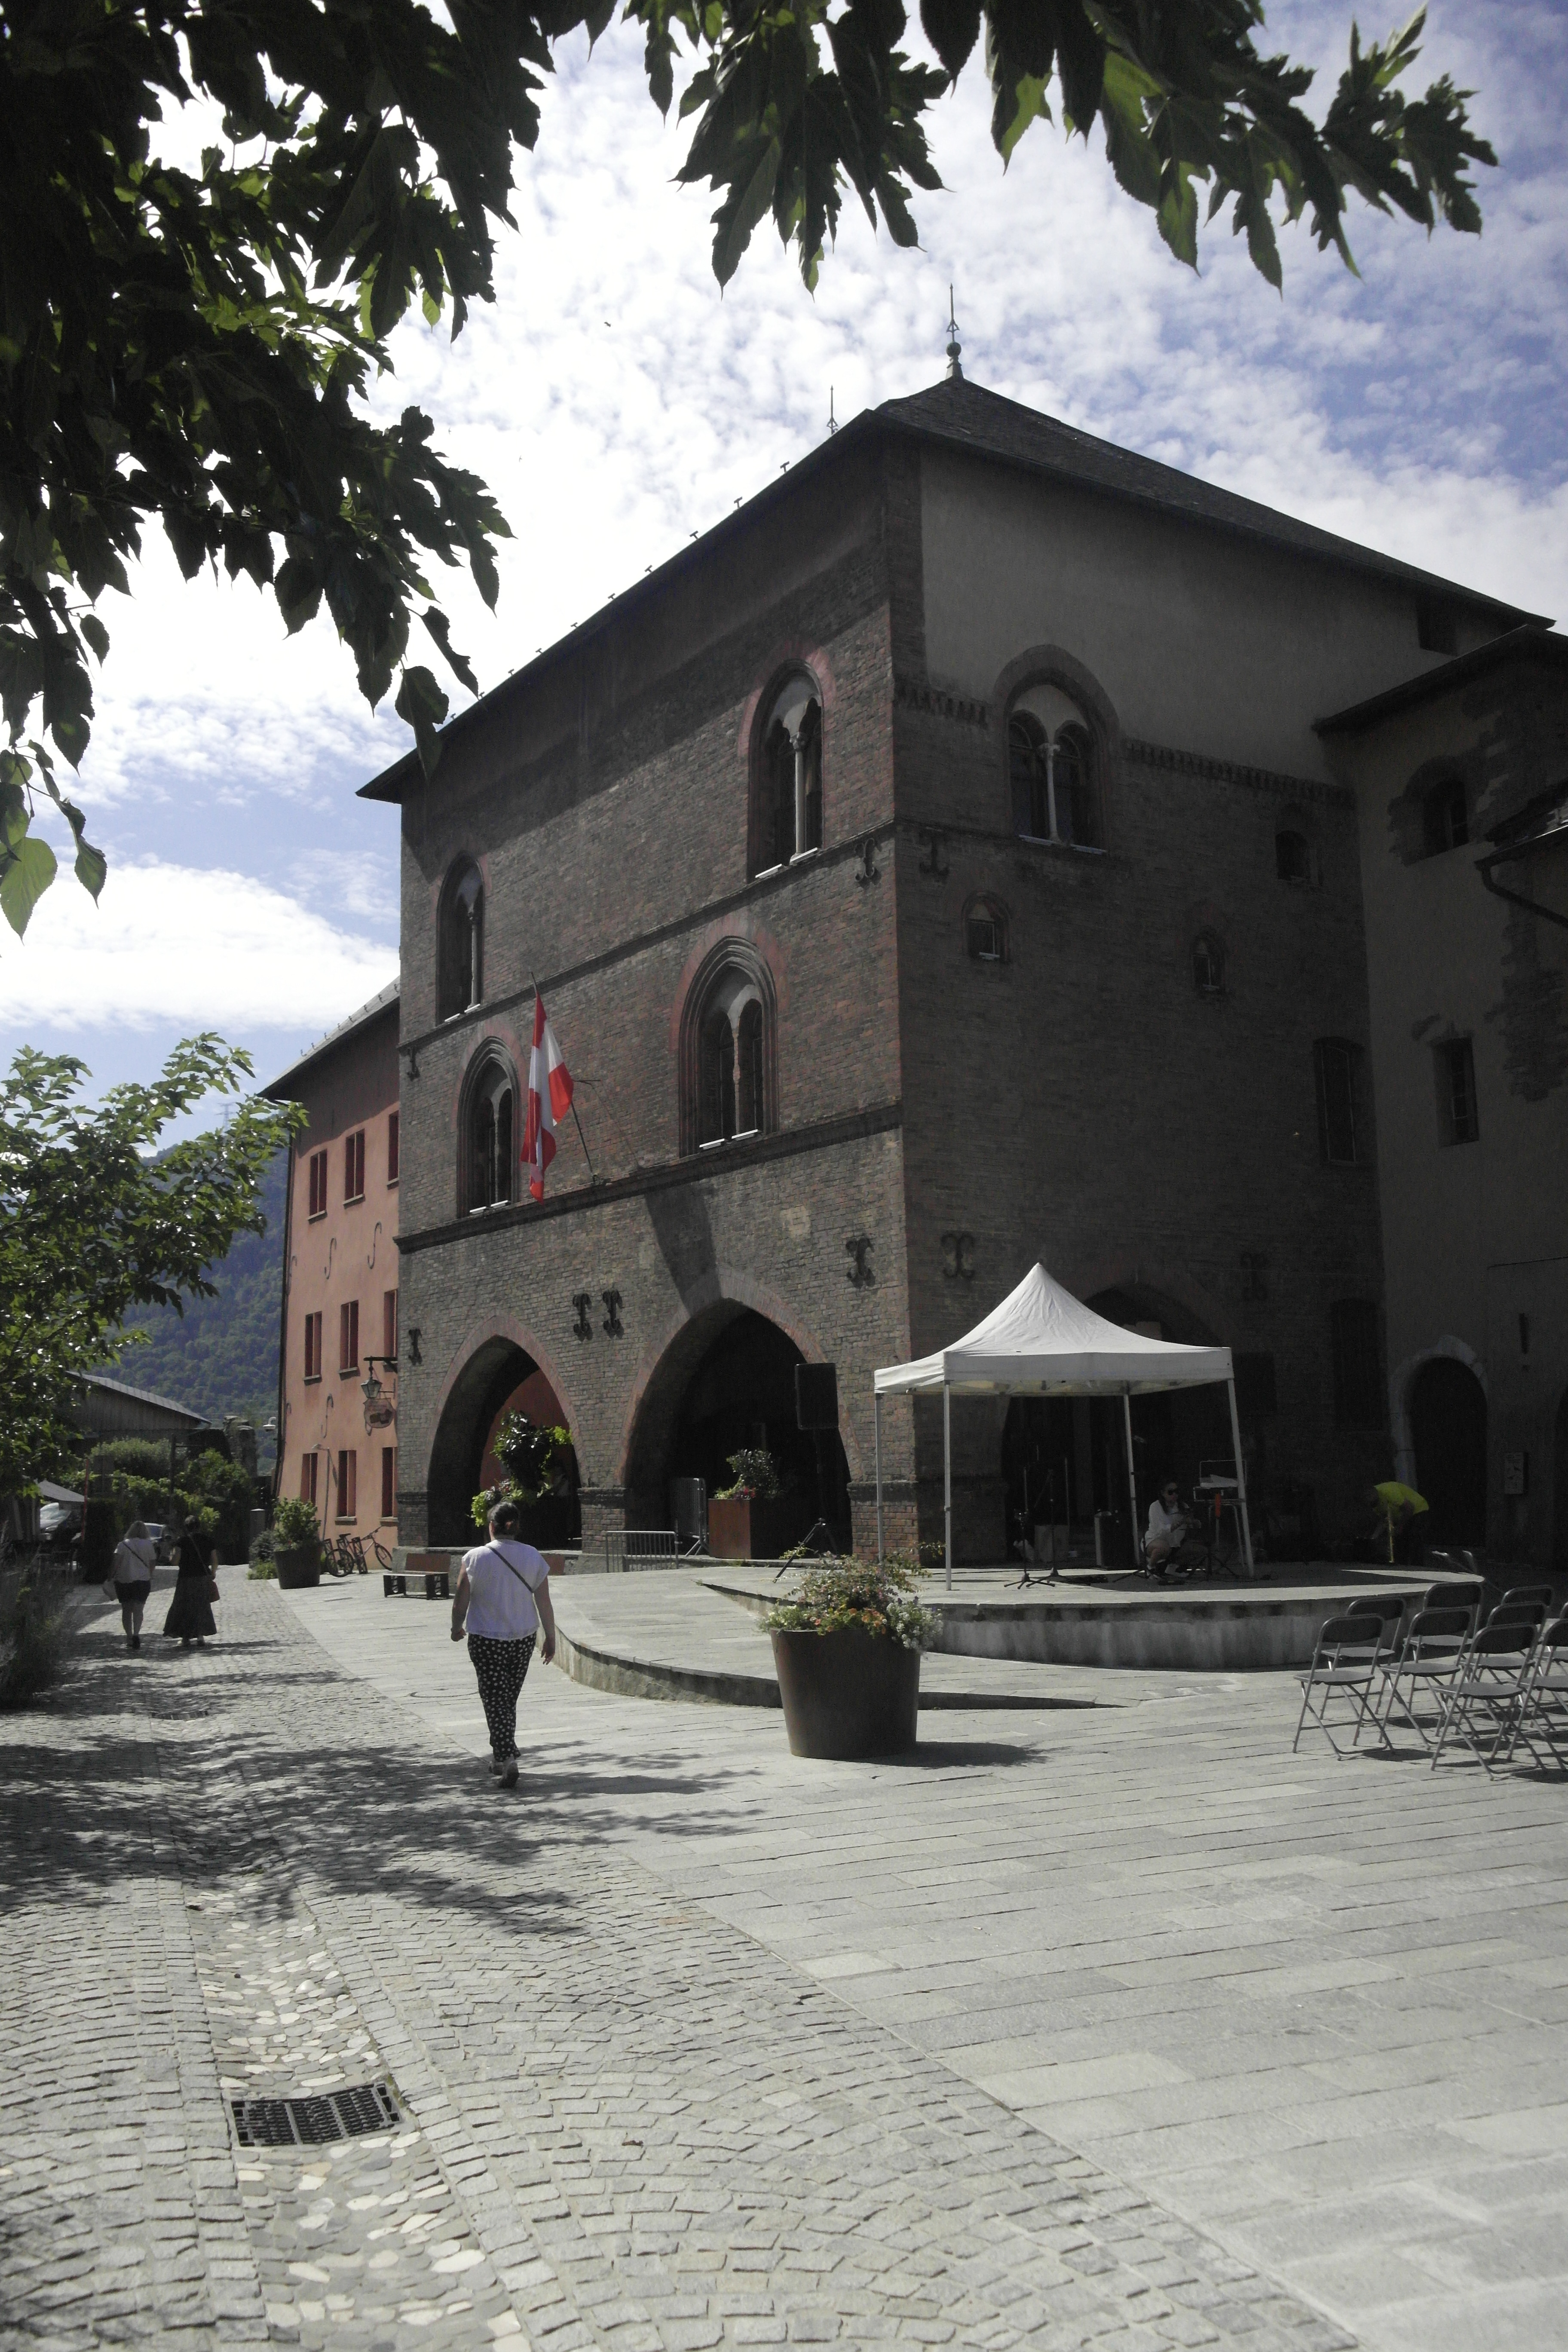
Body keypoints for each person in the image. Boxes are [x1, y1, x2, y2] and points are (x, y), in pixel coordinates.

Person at [451, 1498, 557, 1788]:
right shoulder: (533, 1556)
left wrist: (456, 1627)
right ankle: (501, 1757)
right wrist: (550, 1636)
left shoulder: (474, 1558)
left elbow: (461, 1599)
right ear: (517, 1527)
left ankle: (508, 1758)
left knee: (495, 1698)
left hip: (486, 1640)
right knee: (506, 1699)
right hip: (523, 1639)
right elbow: (544, 1601)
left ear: (491, 1527)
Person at [163, 1523, 217, 1646]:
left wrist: (171, 1553)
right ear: (199, 1527)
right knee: (202, 1606)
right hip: (203, 1578)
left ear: (186, 1528)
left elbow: (175, 1562)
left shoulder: (182, 1541)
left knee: (184, 1606)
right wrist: (213, 1573)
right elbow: (214, 1559)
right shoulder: (208, 1540)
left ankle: (185, 1638)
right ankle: (200, 1636)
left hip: (186, 1578)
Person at [110, 1520, 157, 1650]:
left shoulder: (123, 1545)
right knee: (138, 1610)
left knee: (126, 1610)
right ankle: (136, 1634)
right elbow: (152, 1562)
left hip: (124, 1580)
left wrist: (111, 1577)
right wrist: (149, 1573)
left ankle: (129, 1637)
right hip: (143, 1581)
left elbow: (116, 1563)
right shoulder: (148, 1544)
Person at [1146, 1480, 1203, 1576]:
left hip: (1177, 1544)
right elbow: (1161, 1531)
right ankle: (1151, 1567)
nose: (1175, 1495)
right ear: (1163, 1493)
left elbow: (1193, 1526)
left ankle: (1172, 1567)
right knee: (1163, 1547)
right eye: (1171, 1492)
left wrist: (1194, 1523)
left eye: (1177, 1491)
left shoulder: (1183, 1506)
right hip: (1157, 1541)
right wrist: (1180, 1522)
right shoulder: (1155, 1507)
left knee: (1201, 1551)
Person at [1369, 1481, 1430, 1567]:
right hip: (1401, 1515)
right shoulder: (1374, 1503)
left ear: (1373, 1493)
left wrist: (1399, 1528)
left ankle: (1418, 1567)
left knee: (1414, 1538)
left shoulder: (1389, 1491)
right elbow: (1384, 1519)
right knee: (1400, 1541)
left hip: (1418, 1511)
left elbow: (1409, 1508)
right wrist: (1374, 1538)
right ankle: (1401, 1565)